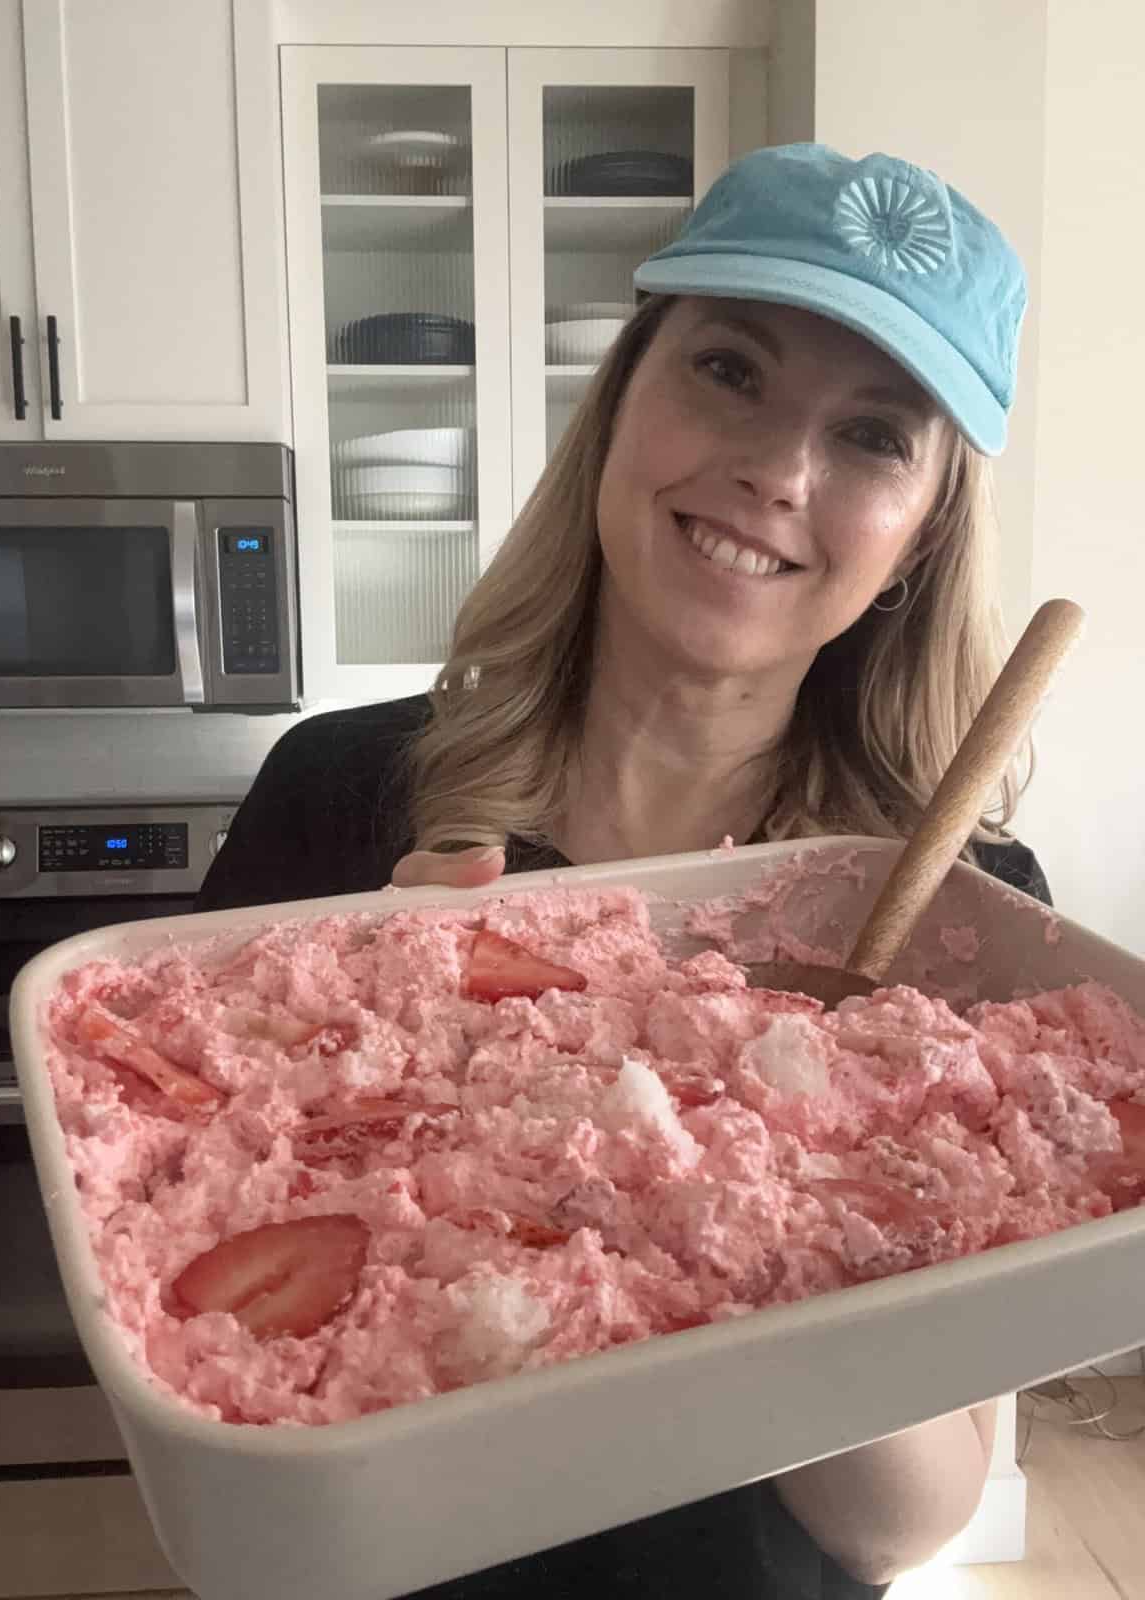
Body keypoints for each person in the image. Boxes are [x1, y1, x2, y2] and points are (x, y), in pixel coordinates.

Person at [198, 143, 1050, 1597]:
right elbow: (195, 1336)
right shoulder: (337, 799)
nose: (777, 472)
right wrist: (365, 1086)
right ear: (619, 408)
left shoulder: (964, 925)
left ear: (916, 541)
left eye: (872, 436)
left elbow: (898, 1525)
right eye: (729, 370)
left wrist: (756, 1184)